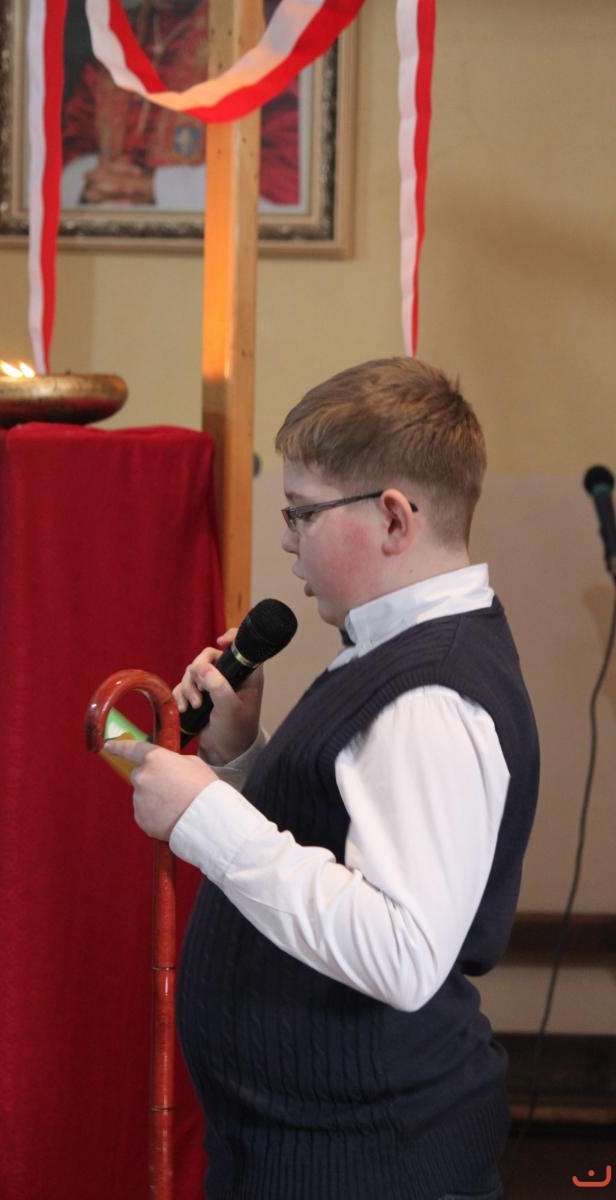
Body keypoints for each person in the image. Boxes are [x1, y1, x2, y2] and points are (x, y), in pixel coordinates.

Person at [106, 357, 540, 1200]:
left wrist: (205, 815)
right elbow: (339, 842)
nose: (287, 539)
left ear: (393, 518)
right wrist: (240, 756)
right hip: (305, 1147)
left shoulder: (432, 694)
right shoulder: (389, 649)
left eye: (303, 513)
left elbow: (402, 951)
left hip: (370, 1162)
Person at [61, 0, 300, 211]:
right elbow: (68, 147)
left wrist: (154, 187)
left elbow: (283, 176)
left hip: (201, 239)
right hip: (106, 237)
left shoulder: (256, 34)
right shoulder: (112, 37)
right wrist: (90, 181)